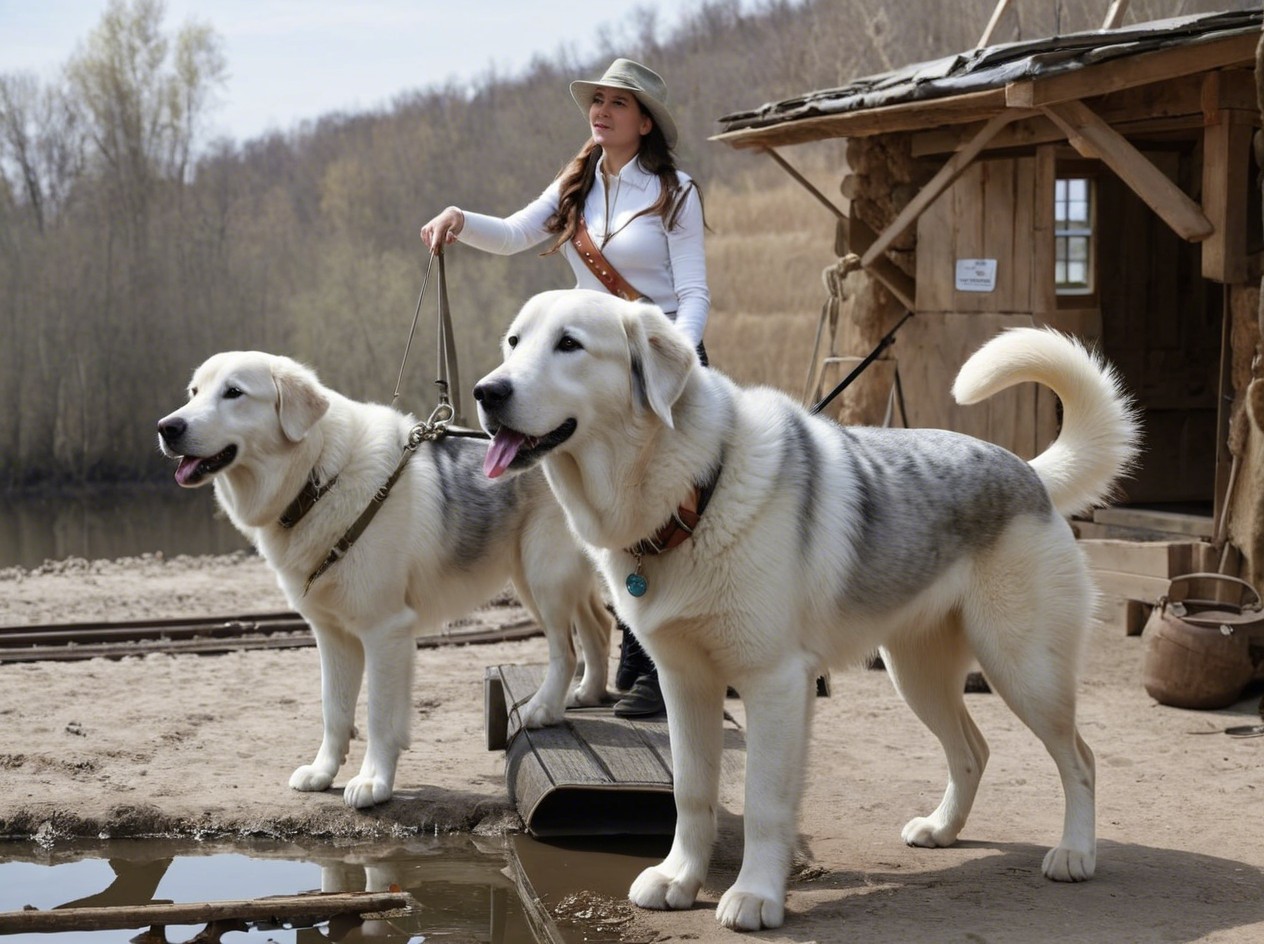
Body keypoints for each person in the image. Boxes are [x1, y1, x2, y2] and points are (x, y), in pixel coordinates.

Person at [420, 58, 710, 717]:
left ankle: (652, 668)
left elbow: (693, 293)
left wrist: (674, 365)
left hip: (656, 363)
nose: (600, 109)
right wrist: (462, 221)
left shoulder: (676, 190)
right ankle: (644, 658)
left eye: (617, 102)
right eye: (596, 99)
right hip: (586, 368)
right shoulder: (578, 182)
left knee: (667, 522)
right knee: (611, 515)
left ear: (644, 121)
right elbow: (519, 233)